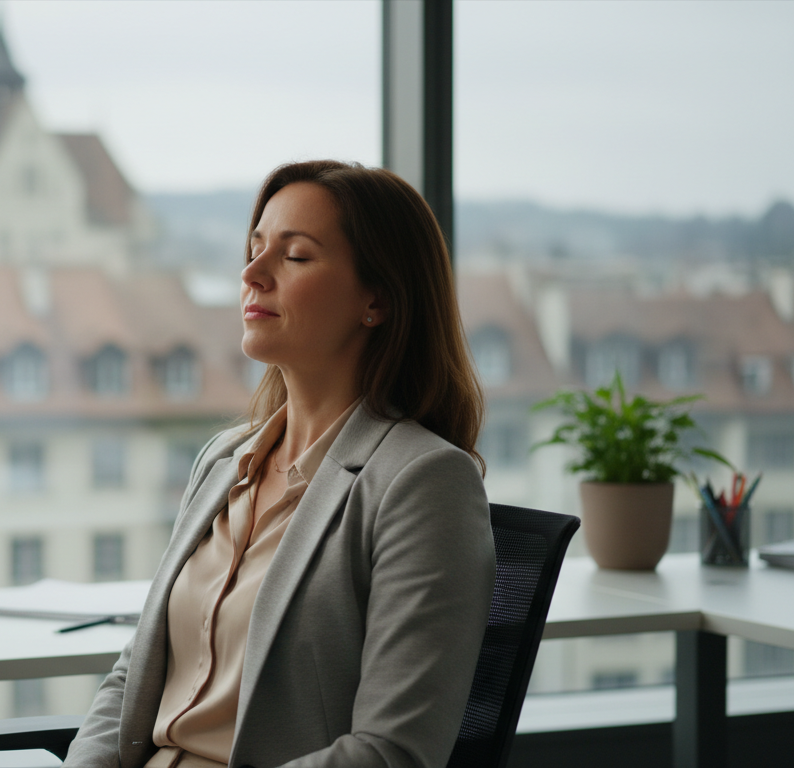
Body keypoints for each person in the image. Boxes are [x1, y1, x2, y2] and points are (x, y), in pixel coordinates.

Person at [65, 161, 494, 768]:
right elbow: (137, 670)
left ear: (376, 299)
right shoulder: (222, 460)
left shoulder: (421, 482)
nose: (250, 274)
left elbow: (390, 753)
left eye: (293, 257)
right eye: (254, 248)